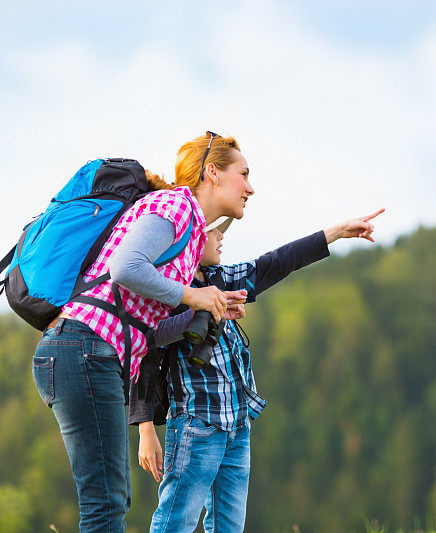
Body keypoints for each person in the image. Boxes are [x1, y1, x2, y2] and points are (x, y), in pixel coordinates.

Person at [31, 132, 252, 531]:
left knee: (110, 499)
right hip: (83, 350)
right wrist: (192, 296)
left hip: (87, 354)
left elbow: (147, 331)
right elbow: (125, 268)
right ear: (213, 173)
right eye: (244, 174)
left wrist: (204, 310)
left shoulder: (186, 236)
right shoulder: (177, 205)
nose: (251, 187)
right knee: (106, 502)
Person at [131, 207, 384, 532]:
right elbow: (143, 354)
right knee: (174, 524)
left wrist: (334, 233)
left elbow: (277, 261)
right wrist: (146, 429)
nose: (221, 236)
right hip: (197, 426)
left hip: (237, 426)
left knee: (229, 528)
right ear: (189, 238)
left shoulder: (221, 278)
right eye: (213, 231)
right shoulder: (166, 291)